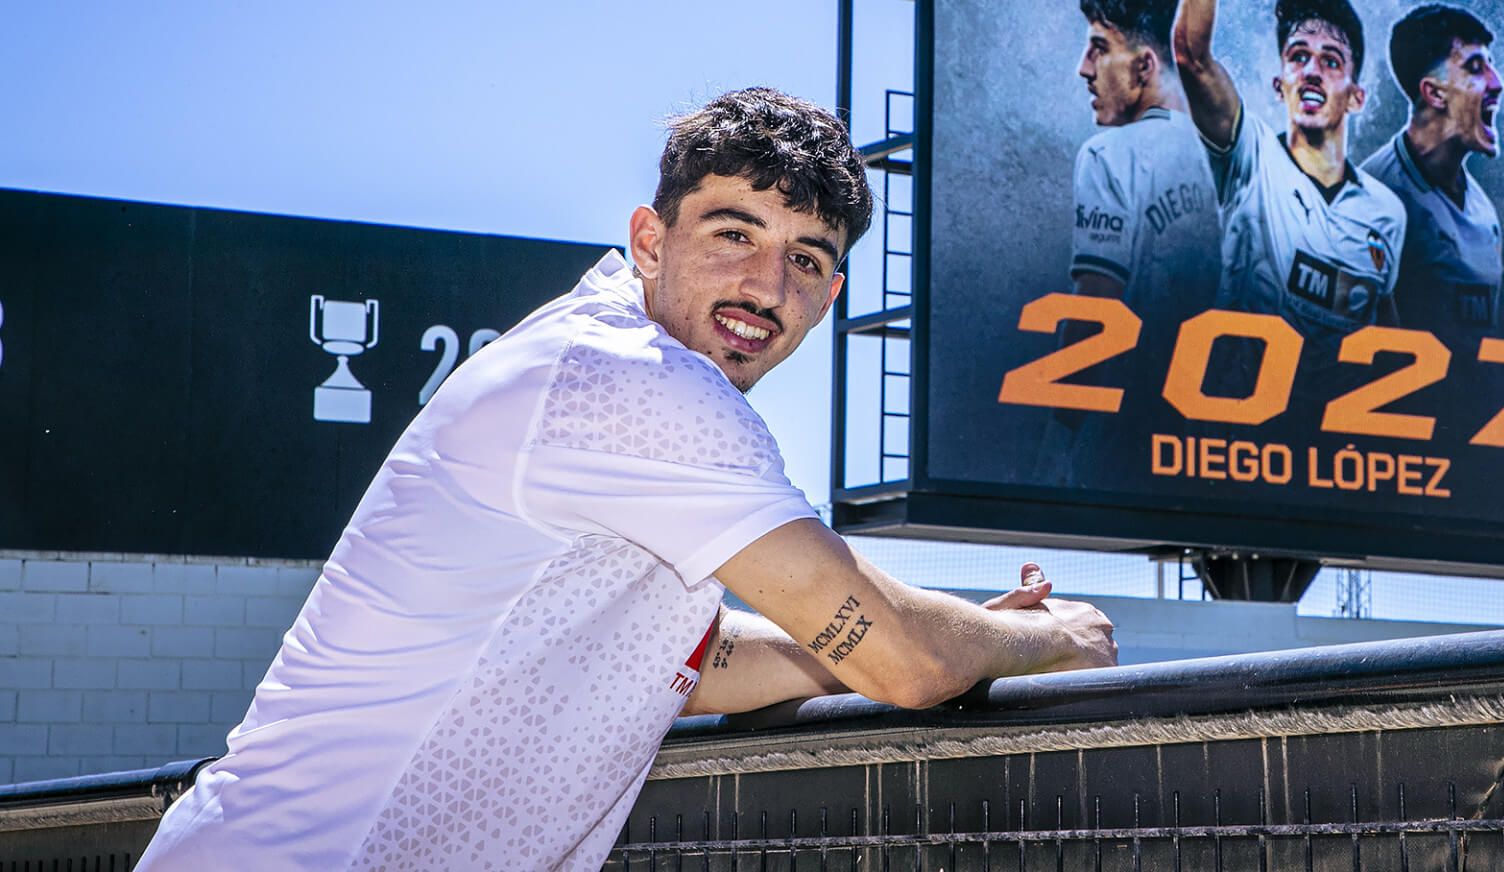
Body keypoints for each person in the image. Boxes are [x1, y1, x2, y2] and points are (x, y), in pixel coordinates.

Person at [135, 88, 1117, 871]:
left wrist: (943, 635)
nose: (766, 286)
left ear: (832, 293)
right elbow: (907, 666)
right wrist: (1044, 637)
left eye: (806, 257)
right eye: (733, 233)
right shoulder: (639, 386)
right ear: (651, 240)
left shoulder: (595, 364)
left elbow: (678, 659)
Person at [1172, 0, 1406, 370]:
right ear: (1280, 86)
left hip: (1327, 447)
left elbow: (1386, 338)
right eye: (1298, 57)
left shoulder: (1387, 213)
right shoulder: (1250, 157)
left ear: (1356, 96)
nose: (1312, 71)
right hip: (1237, 437)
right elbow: (1191, 55)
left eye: (1331, 60)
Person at [1045, 0, 1220, 484]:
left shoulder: (1110, 154)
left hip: (1133, 444)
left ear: (1145, 65)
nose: (1084, 69)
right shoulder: (1247, 161)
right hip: (1238, 449)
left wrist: (1057, 439)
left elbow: (1096, 309)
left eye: (1099, 48)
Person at [1359, 4, 1504, 335]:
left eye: (1491, 66)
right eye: (1475, 67)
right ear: (1435, 93)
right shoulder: (1372, 199)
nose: (1498, 84)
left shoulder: (1484, 214)